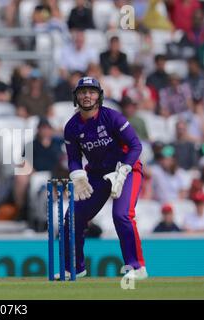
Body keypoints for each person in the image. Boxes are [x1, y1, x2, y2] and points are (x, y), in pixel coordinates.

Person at [62, 77, 148, 281]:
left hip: (126, 170)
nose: (86, 96)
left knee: (122, 215)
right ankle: (75, 267)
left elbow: (136, 146)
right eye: (82, 92)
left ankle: (137, 267)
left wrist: (125, 168)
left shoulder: (113, 117)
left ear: (99, 96)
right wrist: (77, 174)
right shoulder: (72, 127)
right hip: (97, 175)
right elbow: (74, 159)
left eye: (91, 92)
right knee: (72, 217)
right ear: (76, 97)